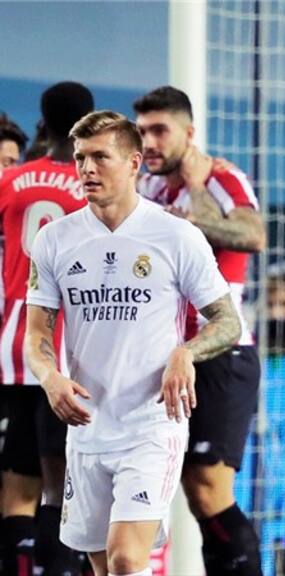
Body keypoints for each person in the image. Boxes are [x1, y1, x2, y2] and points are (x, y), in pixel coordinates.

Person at [24, 110, 240, 576]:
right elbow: (36, 333)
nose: (87, 169)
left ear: (134, 163)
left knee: (126, 558)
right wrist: (49, 377)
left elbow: (228, 322)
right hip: (86, 428)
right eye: (80, 158)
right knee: (104, 566)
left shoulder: (176, 235)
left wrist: (185, 352)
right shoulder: (54, 240)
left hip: (150, 426)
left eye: (100, 157)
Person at [133, 86, 265, 575]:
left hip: (221, 351)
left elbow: (252, 235)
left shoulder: (221, 178)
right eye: (142, 131)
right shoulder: (146, 186)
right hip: (166, 355)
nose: (149, 142)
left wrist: (195, 195)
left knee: (210, 490)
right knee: (187, 492)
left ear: (188, 133)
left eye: (160, 130)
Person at [0, 81, 94, 576]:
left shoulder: (11, 181)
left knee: (16, 491)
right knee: (59, 489)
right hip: (66, 351)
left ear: (42, 120)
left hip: (14, 350)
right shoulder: (93, 188)